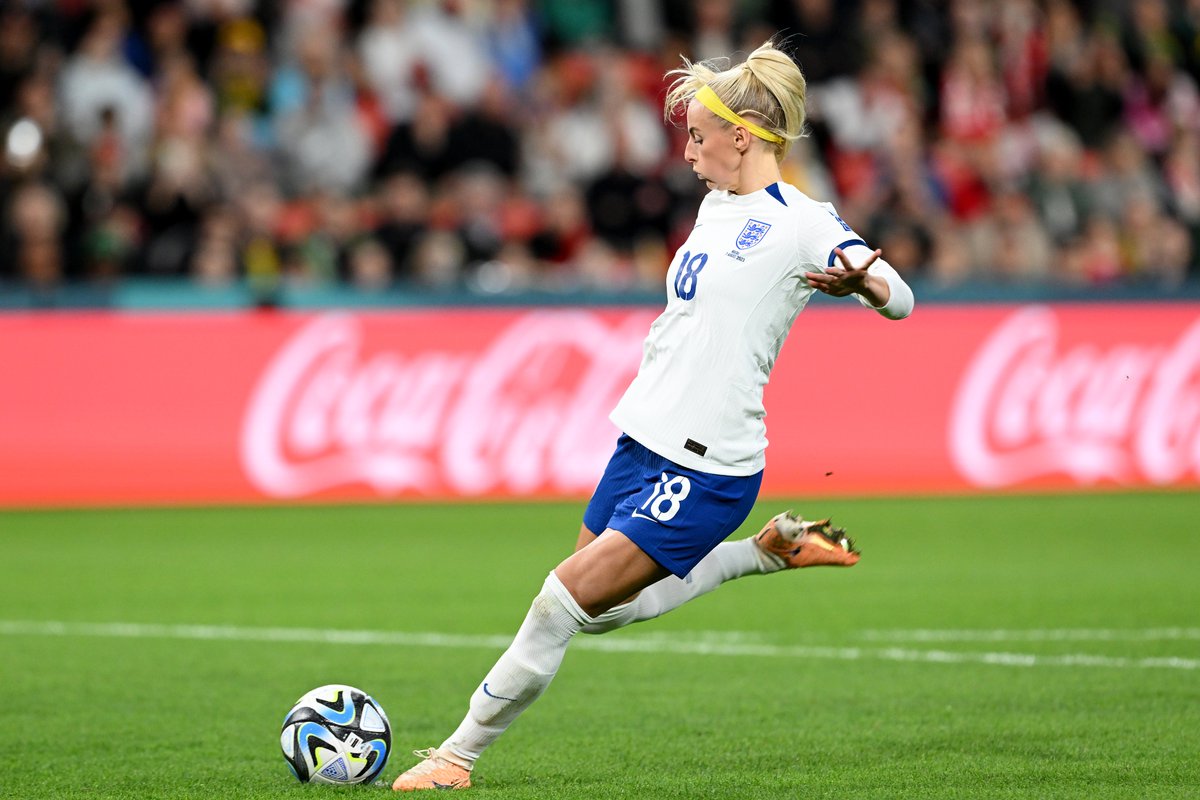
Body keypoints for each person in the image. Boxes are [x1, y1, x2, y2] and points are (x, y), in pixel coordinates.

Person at [390, 39, 914, 792]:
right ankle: (765, 552)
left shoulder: (803, 220)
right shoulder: (714, 206)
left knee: (558, 603)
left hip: (707, 465)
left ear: (742, 137)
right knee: (599, 610)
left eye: (698, 137)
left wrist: (862, 285)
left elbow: (901, 296)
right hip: (642, 442)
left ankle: (455, 757)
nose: (689, 153)